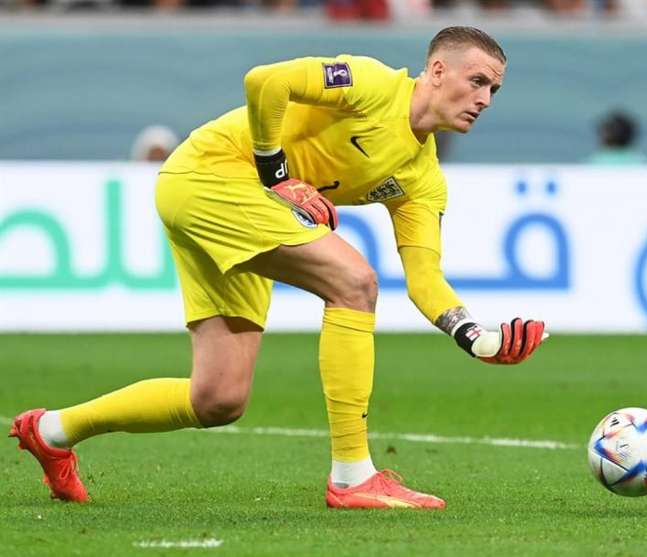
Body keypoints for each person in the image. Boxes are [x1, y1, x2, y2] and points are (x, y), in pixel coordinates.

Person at [10, 26, 546, 510]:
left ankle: (52, 432)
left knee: (218, 398)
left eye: (493, 90)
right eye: (477, 81)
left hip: (239, 208)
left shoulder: (423, 178)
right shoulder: (370, 83)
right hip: (209, 176)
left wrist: (472, 334)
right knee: (353, 282)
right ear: (436, 71)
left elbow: (425, 277)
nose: (483, 98)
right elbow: (265, 80)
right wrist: (277, 171)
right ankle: (353, 474)